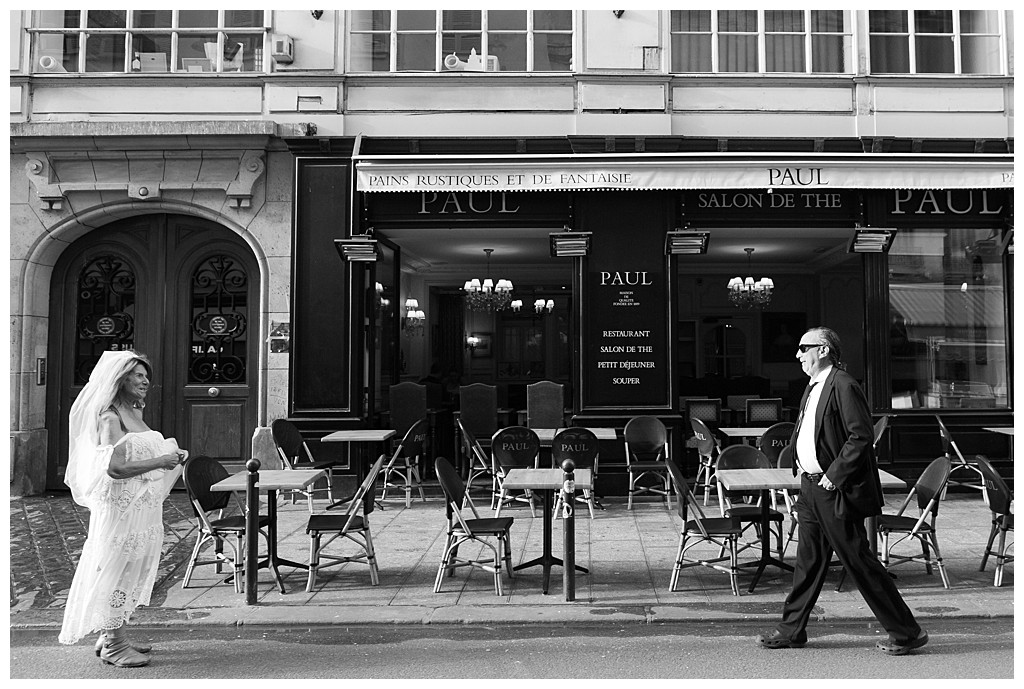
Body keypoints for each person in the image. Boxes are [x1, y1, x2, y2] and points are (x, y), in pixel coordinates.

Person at [757, 327, 928, 656]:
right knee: (807, 561)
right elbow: (809, 429)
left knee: (859, 561)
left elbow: (860, 437)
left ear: (822, 350)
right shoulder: (813, 386)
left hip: (833, 489)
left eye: (803, 348)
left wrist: (834, 476)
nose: (797, 355)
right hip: (810, 487)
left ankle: (907, 632)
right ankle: (792, 630)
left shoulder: (844, 385)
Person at [58, 350, 187, 667]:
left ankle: (111, 634)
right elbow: (115, 467)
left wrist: (171, 454)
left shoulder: (132, 413)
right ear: (120, 378)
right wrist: (161, 460)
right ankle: (115, 645)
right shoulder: (109, 417)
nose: (146, 381)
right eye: (138, 375)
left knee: (131, 567)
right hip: (120, 510)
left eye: (147, 376)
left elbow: (139, 453)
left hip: (140, 509)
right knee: (116, 567)